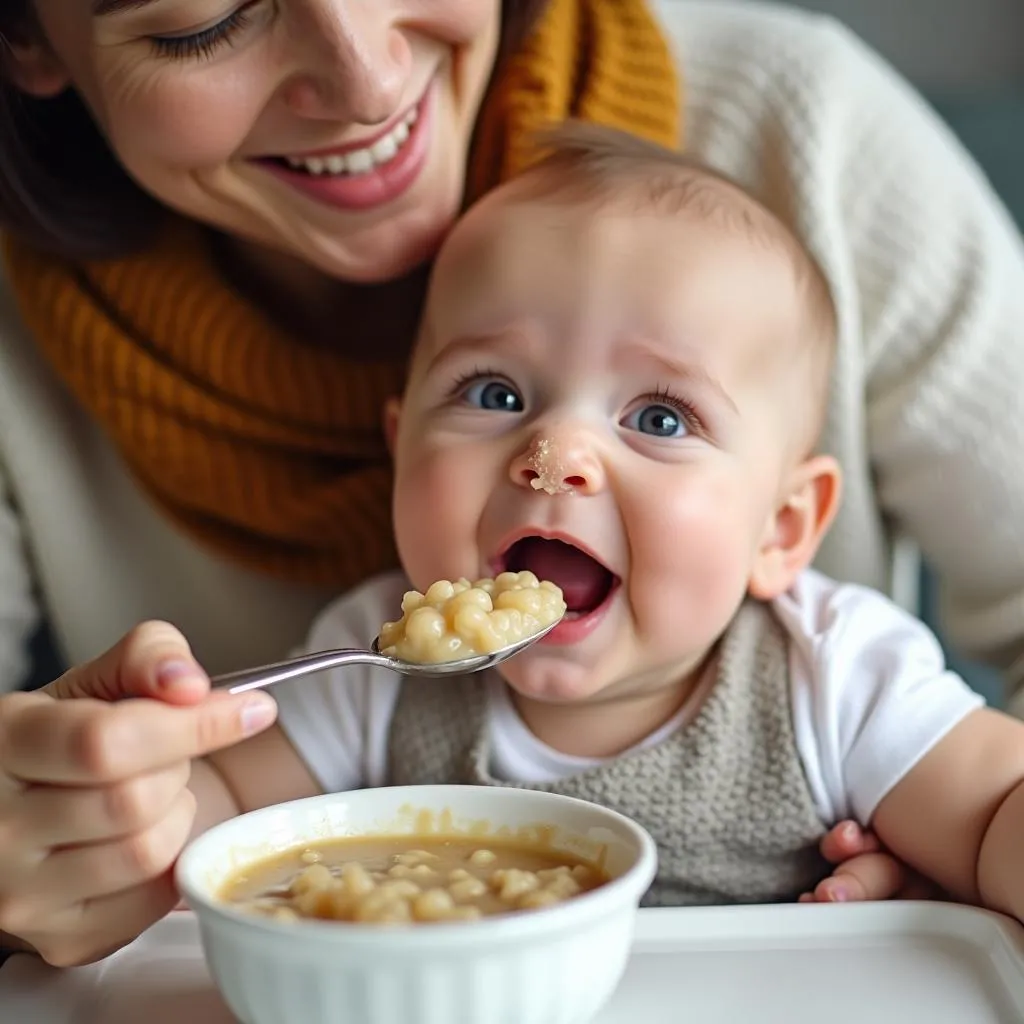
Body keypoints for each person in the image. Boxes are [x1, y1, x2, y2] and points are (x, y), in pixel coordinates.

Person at [0, 0, 1019, 959]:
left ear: (784, 527)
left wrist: (950, 907)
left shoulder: (835, 680)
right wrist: (108, 808)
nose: (555, 452)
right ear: (396, 445)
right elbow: (205, 829)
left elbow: (995, 810)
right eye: (491, 393)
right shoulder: (364, 676)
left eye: (659, 418)